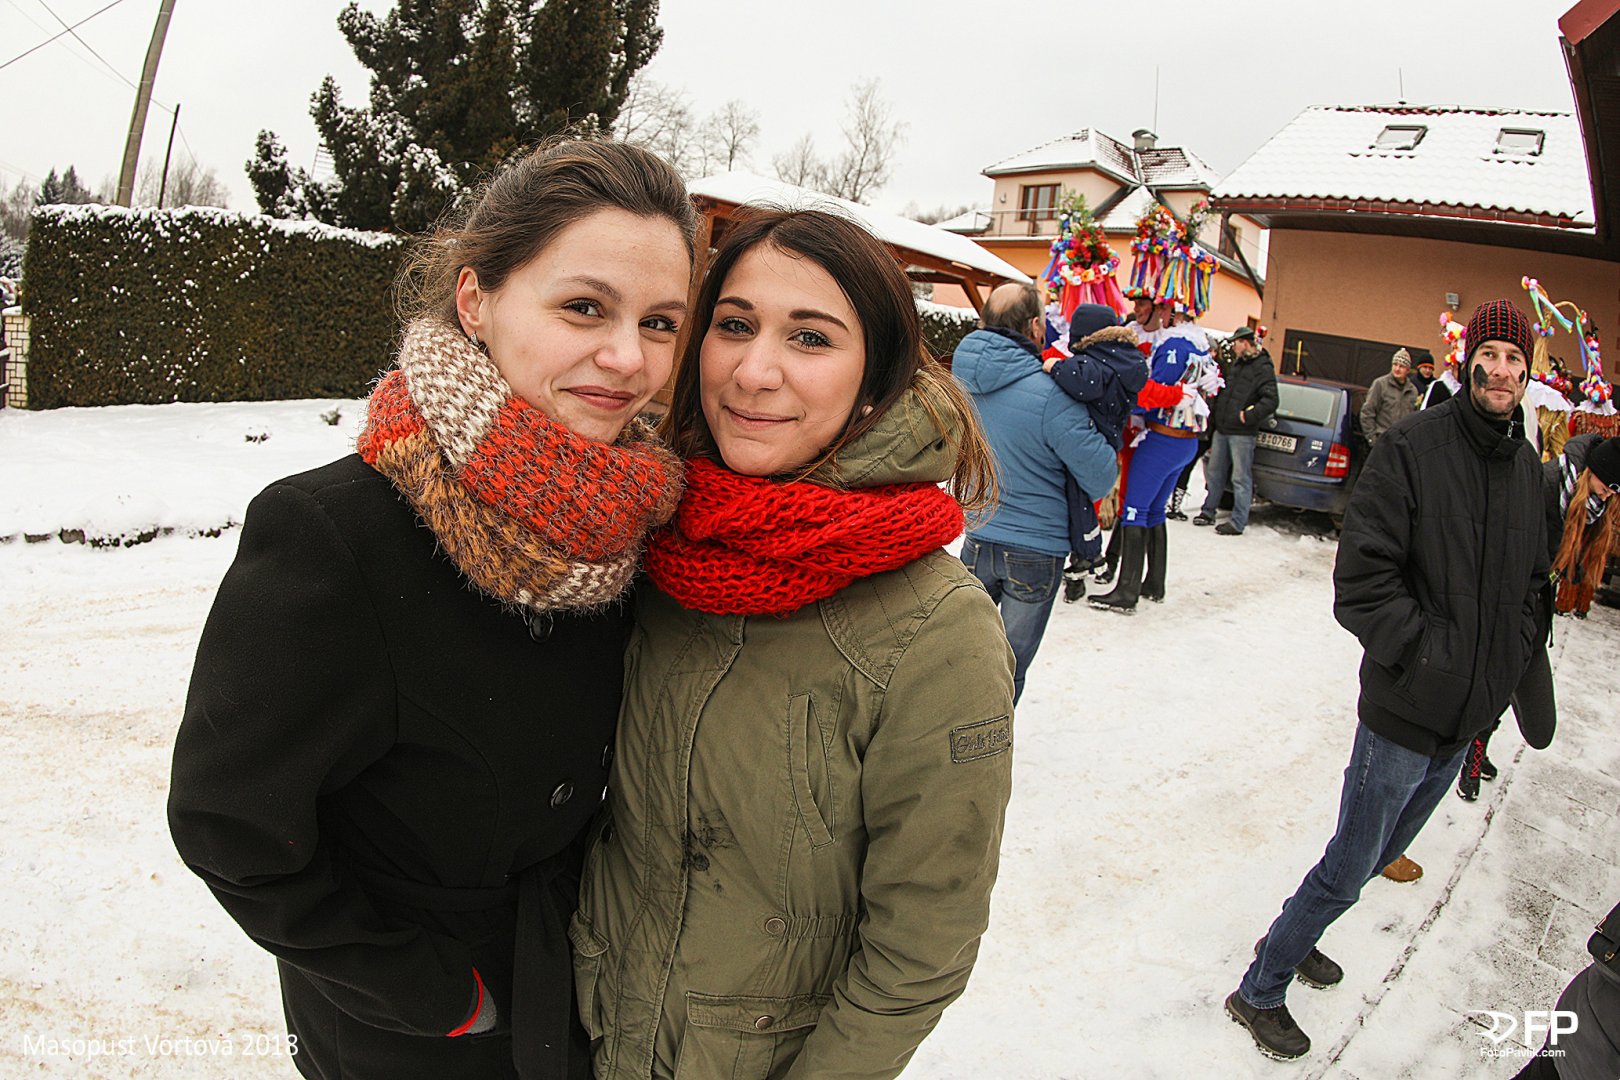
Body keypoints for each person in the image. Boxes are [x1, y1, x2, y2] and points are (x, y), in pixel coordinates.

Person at [167, 139, 696, 1080]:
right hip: (415, 1037)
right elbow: (232, 827)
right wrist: (433, 994)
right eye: (584, 306)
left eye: (659, 322)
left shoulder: (638, 521)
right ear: (475, 299)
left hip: (582, 992)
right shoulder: (333, 534)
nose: (628, 359)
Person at [574, 208, 1016, 1080]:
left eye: (810, 338)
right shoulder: (652, 543)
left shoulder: (937, 628)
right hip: (581, 1030)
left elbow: (921, 944)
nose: (754, 371)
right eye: (734, 326)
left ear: (875, 377)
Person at [1226, 299, 1554, 1061]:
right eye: (1490, 354)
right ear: (1467, 362)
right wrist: (1430, 657)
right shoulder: (1414, 447)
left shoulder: (1528, 469)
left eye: (1514, 358)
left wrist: (1503, 666)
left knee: (1376, 858)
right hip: (1406, 706)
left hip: (1465, 719)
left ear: (1527, 373)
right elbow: (1362, 582)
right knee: (1351, 863)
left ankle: (1295, 932)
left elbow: (1534, 586)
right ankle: (1261, 987)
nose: (1501, 370)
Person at [953, 281, 1117, 699]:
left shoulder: (957, 381)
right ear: (1036, 327)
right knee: (1007, 670)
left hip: (978, 534)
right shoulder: (1051, 395)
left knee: (960, 656)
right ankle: (990, 736)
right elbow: (1100, 476)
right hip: (1035, 550)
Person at [1091, 319, 1218, 611]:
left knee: (1134, 510)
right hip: (1185, 441)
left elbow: (1150, 394)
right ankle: (1154, 583)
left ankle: (1126, 592)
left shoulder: (1173, 345)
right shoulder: (1197, 345)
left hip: (1162, 440)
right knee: (1155, 510)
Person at [1042, 303, 1149, 602]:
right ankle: (1083, 558)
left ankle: (1087, 554)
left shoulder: (1094, 362)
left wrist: (1054, 367)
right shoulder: (1124, 357)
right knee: (1084, 502)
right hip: (1107, 441)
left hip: (1090, 440)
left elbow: (1083, 384)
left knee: (1077, 501)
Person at [1192, 325, 1277, 535]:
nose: (1233, 347)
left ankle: (1238, 522)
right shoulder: (1238, 364)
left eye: (1236, 343)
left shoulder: (1263, 367)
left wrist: (1248, 416)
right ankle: (1208, 511)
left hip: (1242, 433)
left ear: (1245, 343)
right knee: (1215, 473)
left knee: (1240, 478)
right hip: (1223, 429)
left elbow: (1271, 400)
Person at [1360, 347, 1422, 444]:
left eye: (1401, 366)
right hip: (1382, 440)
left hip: (1401, 444)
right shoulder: (1380, 384)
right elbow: (1367, 412)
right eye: (1395, 364)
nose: (1397, 369)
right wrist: (1372, 439)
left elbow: (1414, 419)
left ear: (1408, 370)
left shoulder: (1412, 391)